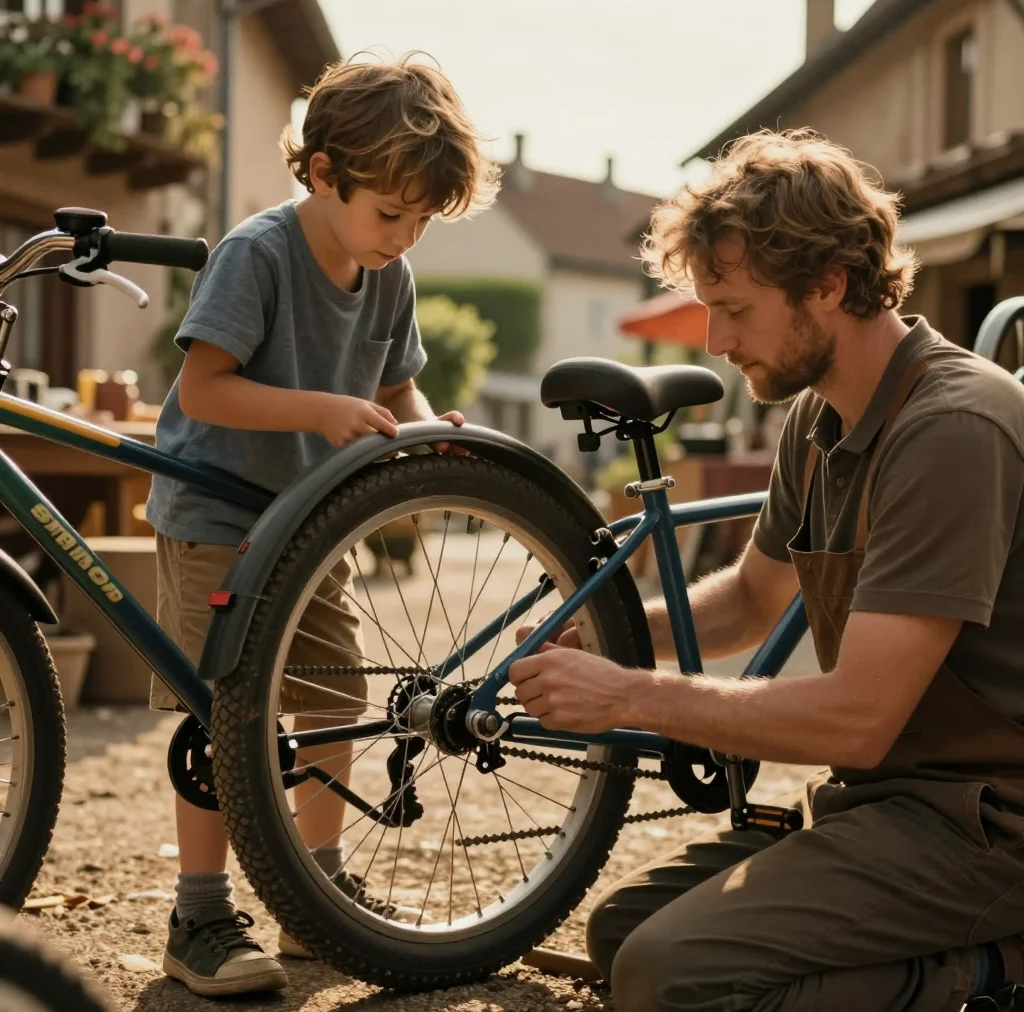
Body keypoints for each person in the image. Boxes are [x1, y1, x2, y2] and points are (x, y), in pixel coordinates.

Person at [511, 129, 1024, 1012]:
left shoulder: (953, 426)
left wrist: (626, 696)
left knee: (666, 977)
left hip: (989, 827)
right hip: (891, 805)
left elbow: (860, 718)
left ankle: (993, 973)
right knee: (621, 936)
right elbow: (752, 600)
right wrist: (606, 633)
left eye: (736, 310)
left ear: (827, 285)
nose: (715, 340)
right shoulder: (820, 422)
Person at [145, 54, 498, 998]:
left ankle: (315, 893)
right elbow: (205, 389)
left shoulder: (391, 275)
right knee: (221, 717)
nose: (406, 235)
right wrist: (317, 411)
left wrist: (427, 428)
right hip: (217, 509)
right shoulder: (256, 253)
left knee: (332, 696)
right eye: (392, 213)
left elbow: (394, 389)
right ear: (325, 172)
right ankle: (201, 911)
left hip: (312, 526)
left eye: (424, 219)